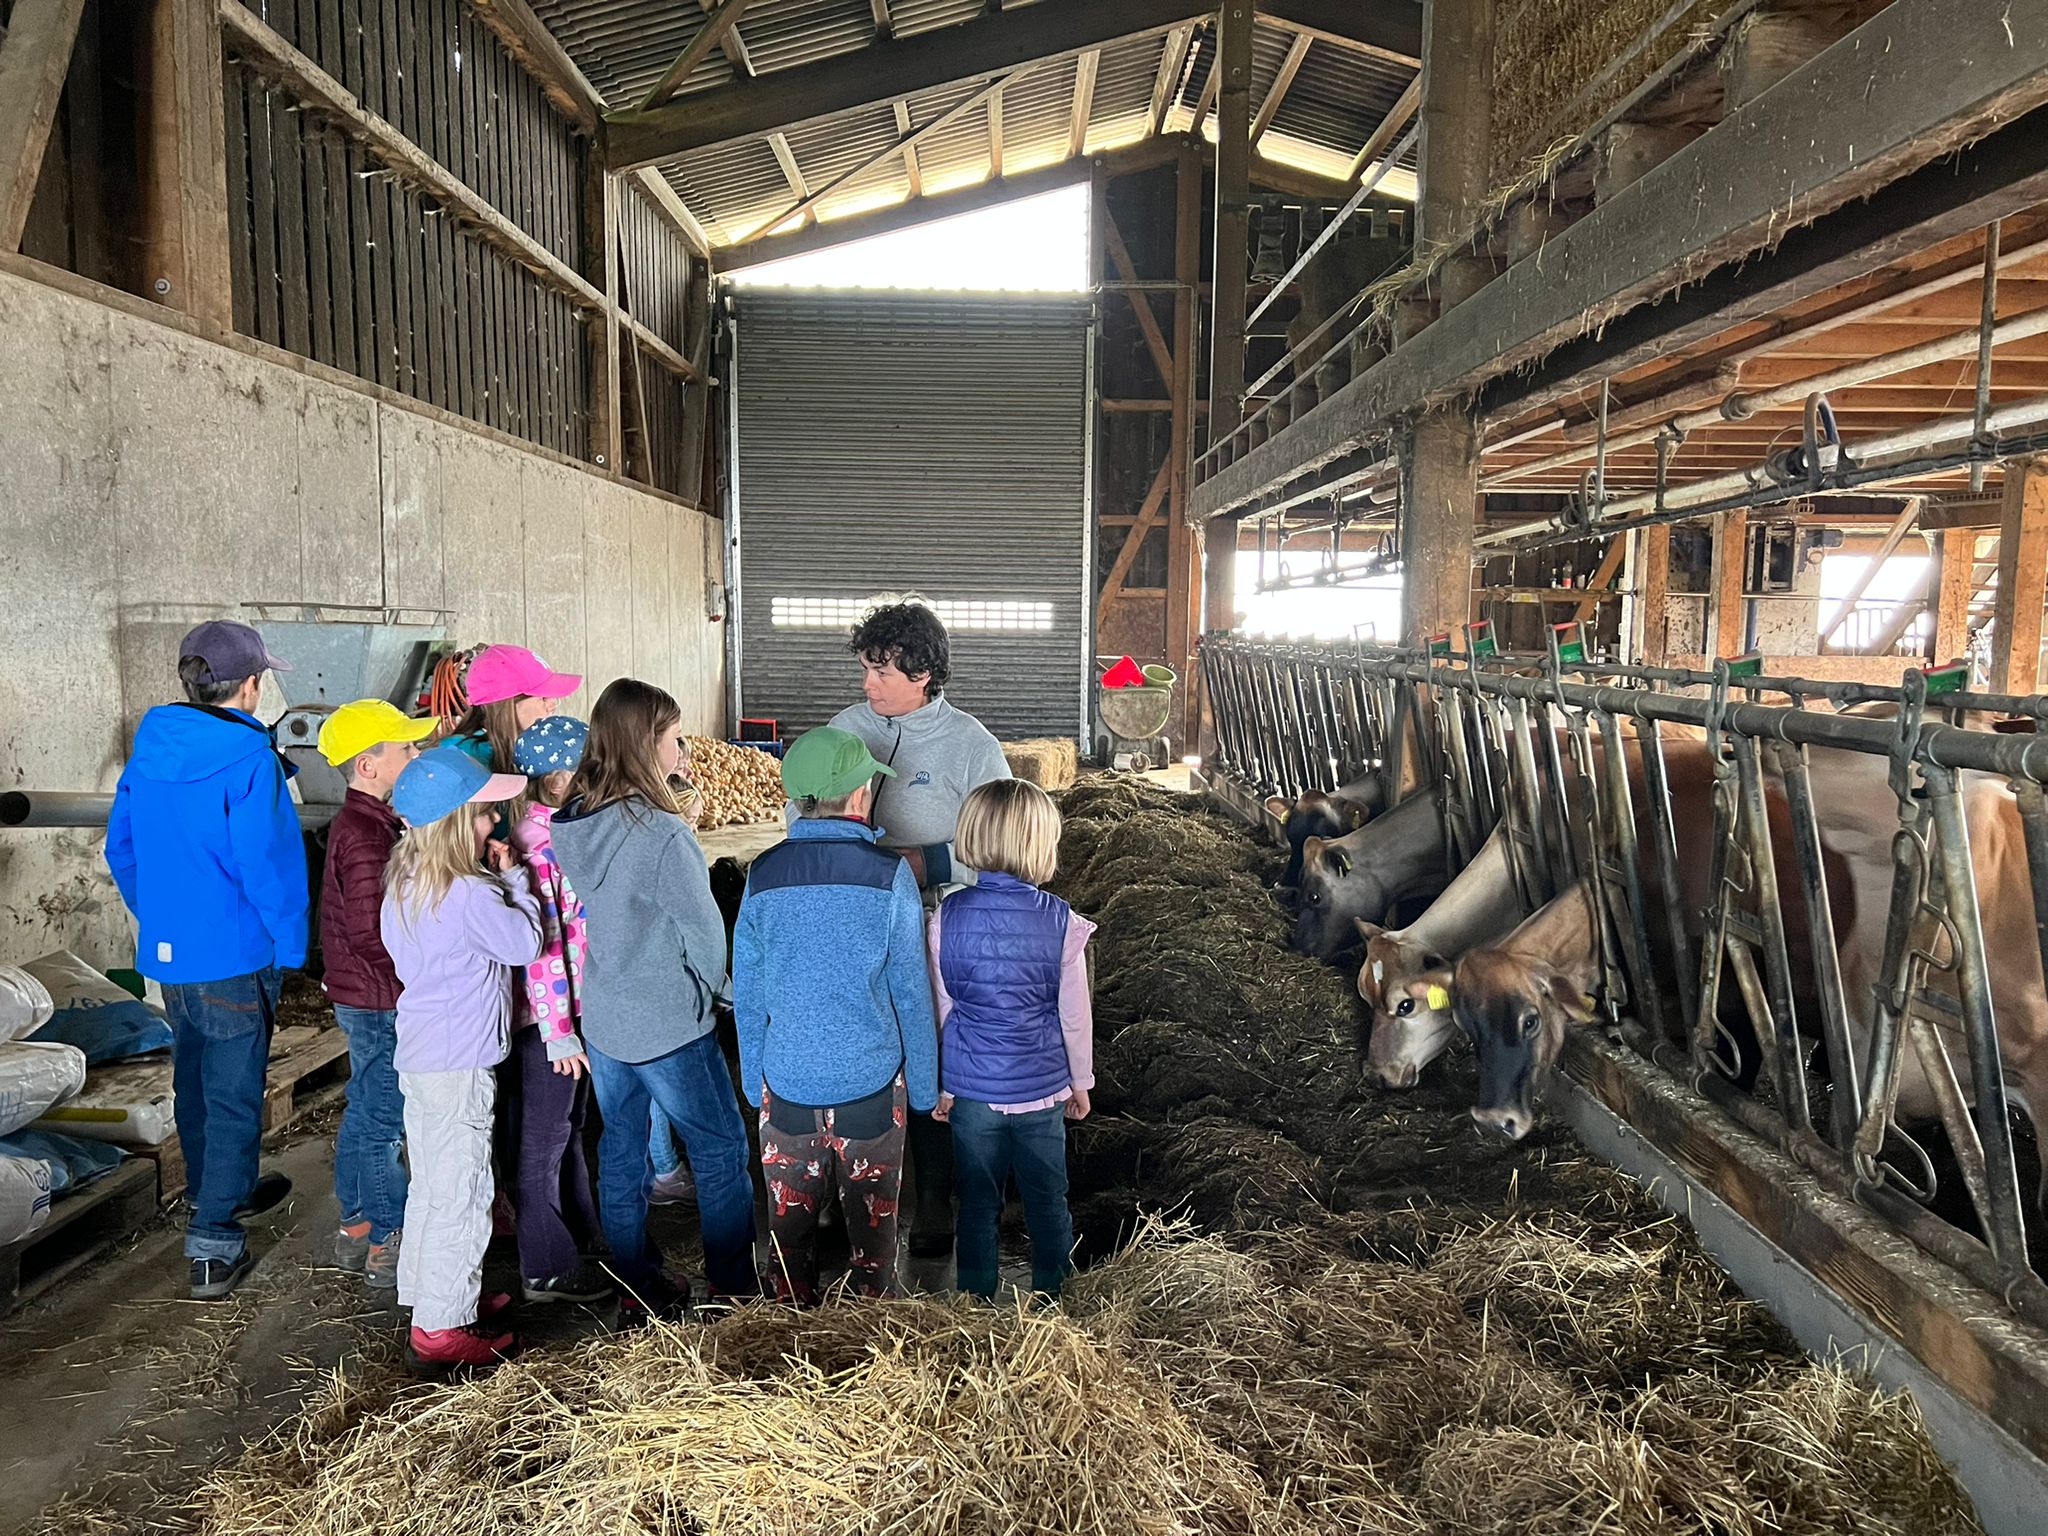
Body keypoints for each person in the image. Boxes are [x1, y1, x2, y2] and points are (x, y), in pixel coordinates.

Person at [105, 620, 307, 1300]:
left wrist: (163, 918)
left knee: (194, 1083)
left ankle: (224, 1188)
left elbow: (121, 848)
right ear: (250, 684)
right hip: (236, 954)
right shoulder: (249, 759)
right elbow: (268, 867)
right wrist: (293, 944)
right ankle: (214, 1243)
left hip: (174, 957)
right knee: (233, 1093)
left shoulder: (152, 747)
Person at [550, 679, 759, 1319]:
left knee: (622, 1150)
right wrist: (720, 992)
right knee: (720, 1149)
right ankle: (731, 1288)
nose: (681, 749)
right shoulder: (663, 833)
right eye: (673, 736)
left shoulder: (575, 822)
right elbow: (702, 930)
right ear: (646, 744)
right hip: (669, 1021)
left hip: (608, 1013)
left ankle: (638, 1283)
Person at [826, 600, 1011, 1258]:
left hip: (938, 921)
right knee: (857, 1043)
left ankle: (935, 1196)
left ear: (923, 673)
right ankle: (842, 1196)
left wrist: (926, 861)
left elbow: (1002, 840)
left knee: (931, 1049)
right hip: (857, 919)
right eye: (865, 668)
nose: (867, 684)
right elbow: (802, 807)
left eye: (881, 671)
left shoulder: (971, 746)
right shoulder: (845, 729)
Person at [732, 728, 939, 1303]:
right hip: (870, 1088)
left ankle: (787, 1325)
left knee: (788, 1241)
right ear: (859, 797)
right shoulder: (889, 875)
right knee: (873, 1241)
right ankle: (873, 1322)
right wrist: (924, 1089)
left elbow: (749, 992)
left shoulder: (762, 874)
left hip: (787, 1086)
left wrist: (754, 1080)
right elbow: (910, 991)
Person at [380, 745, 540, 1370]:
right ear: (453, 824)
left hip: (422, 1055)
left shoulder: (406, 881)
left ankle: (432, 1297)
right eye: (482, 813)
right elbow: (524, 943)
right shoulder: (470, 893)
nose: (494, 822)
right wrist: (518, 882)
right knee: (465, 1192)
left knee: (432, 1185)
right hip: (461, 1060)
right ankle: (441, 1329)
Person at [929, 780, 1095, 1301]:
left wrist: (943, 1085)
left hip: (972, 1094)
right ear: (1040, 844)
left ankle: (974, 1306)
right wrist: (1081, 1082)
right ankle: (1056, 1305)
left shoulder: (946, 916)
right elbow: (1074, 1016)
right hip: (1042, 1091)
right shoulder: (1061, 921)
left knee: (977, 1203)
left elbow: (943, 1010)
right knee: (1048, 1201)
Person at [316, 698, 437, 1290]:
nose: (415, 755)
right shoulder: (366, 835)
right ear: (367, 766)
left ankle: (358, 1223)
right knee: (385, 1118)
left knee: (366, 1107)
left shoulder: (369, 823)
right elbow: (370, 932)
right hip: (379, 998)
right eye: (405, 748)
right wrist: (418, 979)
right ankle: (389, 1237)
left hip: (363, 992)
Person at [503, 715, 610, 1304]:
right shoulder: (541, 847)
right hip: (550, 1021)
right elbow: (543, 951)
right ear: (562, 778)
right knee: (543, 1140)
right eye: (590, 768)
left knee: (567, 1129)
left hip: (568, 1012)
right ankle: (544, 1265)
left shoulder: (557, 832)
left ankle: (581, 1234)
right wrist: (559, 1032)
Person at [446, 644, 580, 771]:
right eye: (543, 698)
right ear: (508, 705)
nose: (553, 705)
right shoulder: (464, 758)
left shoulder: (514, 746)